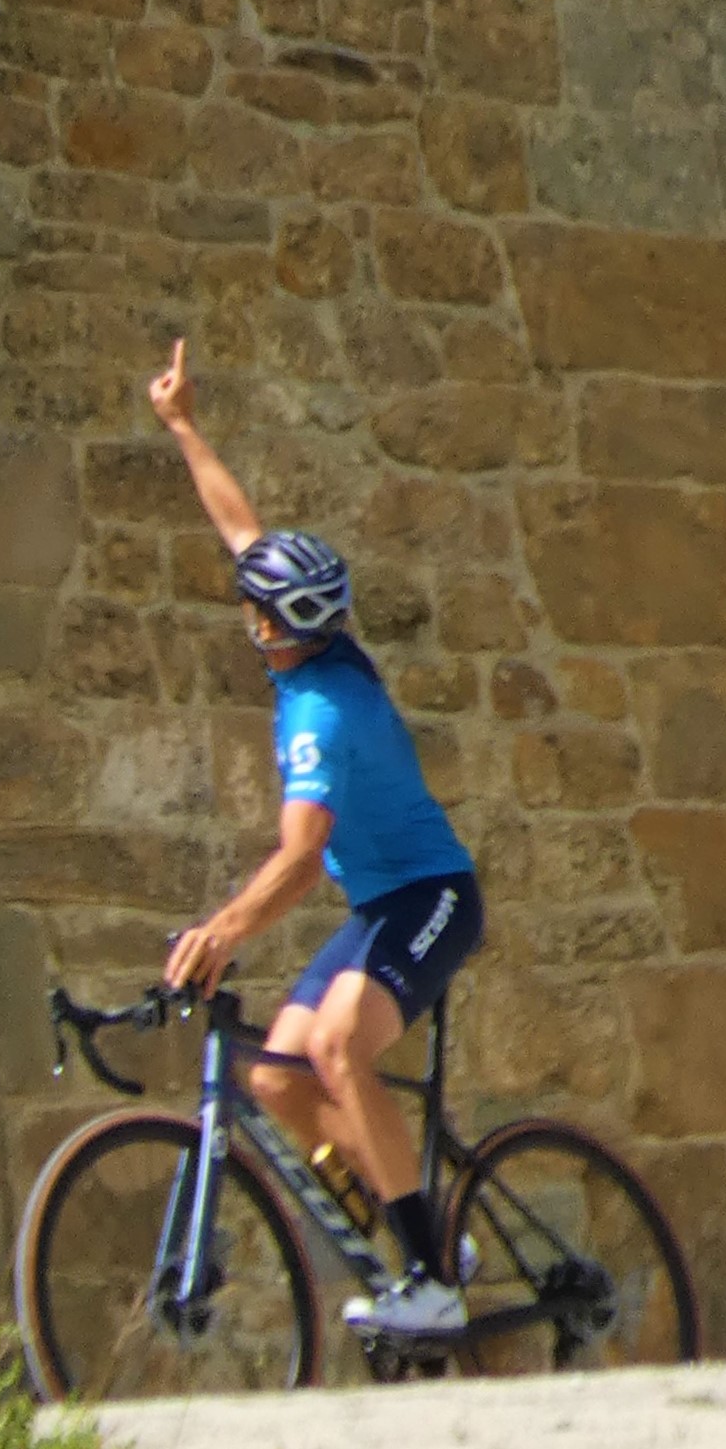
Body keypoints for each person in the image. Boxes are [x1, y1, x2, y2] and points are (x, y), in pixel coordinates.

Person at [148, 337, 483, 1349]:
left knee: (336, 1046)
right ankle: (416, 1217)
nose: (241, 608)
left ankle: (429, 1276)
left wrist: (220, 931)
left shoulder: (319, 714)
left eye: (251, 608)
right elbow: (242, 532)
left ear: (271, 629)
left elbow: (298, 859)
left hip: (432, 897)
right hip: (382, 905)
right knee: (277, 1081)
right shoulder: (309, 641)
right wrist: (182, 427)